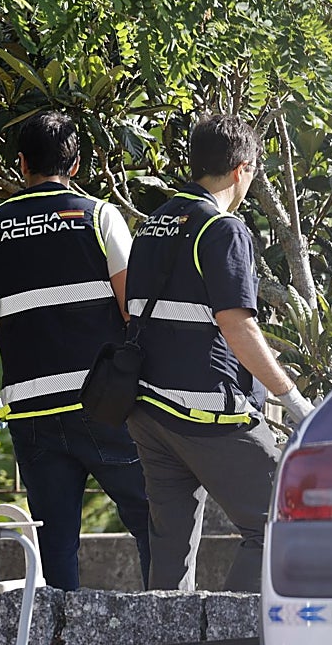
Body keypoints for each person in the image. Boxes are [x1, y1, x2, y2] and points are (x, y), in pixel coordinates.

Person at [0, 111, 150, 591]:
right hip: (105, 405)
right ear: (77, 164)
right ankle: (169, 640)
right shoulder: (99, 216)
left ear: (21, 163)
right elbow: (133, 310)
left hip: (31, 414)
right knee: (154, 525)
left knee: (55, 548)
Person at [124, 114, 313, 593]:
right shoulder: (223, 229)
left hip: (148, 408)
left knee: (170, 553)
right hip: (204, 411)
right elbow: (236, 325)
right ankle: (231, 644)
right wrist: (293, 399)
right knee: (283, 519)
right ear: (241, 170)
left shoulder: (153, 224)